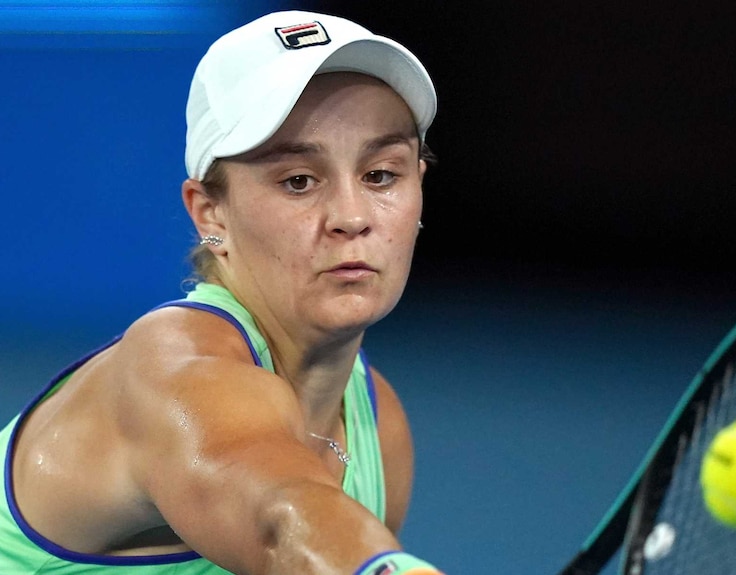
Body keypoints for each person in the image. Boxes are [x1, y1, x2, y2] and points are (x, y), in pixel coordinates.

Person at [0, 10, 443, 575]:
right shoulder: (170, 367)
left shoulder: (379, 429)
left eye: (381, 174)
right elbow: (280, 522)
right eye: (298, 181)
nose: (352, 216)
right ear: (212, 215)